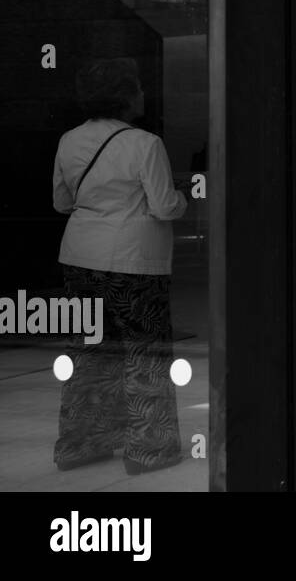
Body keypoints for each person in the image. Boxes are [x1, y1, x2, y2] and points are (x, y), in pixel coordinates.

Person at [51, 58, 187, 475]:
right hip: (133, 261)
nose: (144, 94)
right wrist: (185, 199)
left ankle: (80, 445)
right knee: (144, 351)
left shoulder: (69, 141)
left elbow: (60, 202)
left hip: (78, 256)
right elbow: (164, 206)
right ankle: (149, 449)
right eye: (139, 88)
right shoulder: (145, 143)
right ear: (126, 96)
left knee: (88, 351)